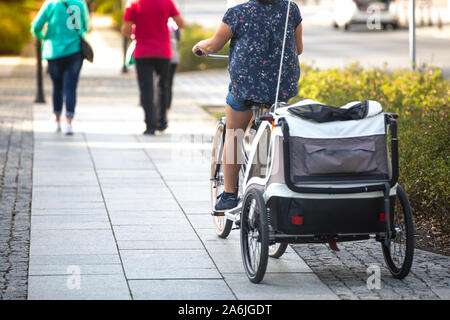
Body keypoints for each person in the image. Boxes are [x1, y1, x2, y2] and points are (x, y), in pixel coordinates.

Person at [193, 0, 303, 211]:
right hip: (280, 87)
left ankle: (229, 194)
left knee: (234, 134)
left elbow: (214, 45)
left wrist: (199, 47)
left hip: (246, 87)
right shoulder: (291, 9)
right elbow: (298, 48)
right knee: (273, 133)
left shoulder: (237, 13)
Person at [122, 0, 185, 135]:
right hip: (163, 51)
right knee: (163, 86)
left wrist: (136, 27)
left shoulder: (134, 4)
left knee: (146, 88)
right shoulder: (166, 2)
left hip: (143, 52)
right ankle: (162, 122)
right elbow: (181, 23)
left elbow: (126, 30)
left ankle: (150, 125)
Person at [31, 0, 90, 135]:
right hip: (75, 50)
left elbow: (36, 27)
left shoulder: (51, 4)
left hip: (54, 52)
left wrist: (43, 37)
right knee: (71, 87)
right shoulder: (80, 4)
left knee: (57, 86)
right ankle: (69, 123)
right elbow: (86, 26)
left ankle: (57, 120)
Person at [165, 18, 181, 118]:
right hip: (173, 57)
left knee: (159, 84)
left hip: (161, 55)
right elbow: (179, 38)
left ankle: (160, 110)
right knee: (168, 85)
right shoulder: (173, 22)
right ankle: (166, 111)